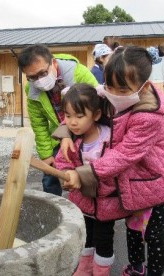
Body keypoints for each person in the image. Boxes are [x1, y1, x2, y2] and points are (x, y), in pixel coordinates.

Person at [54, 46, 164, 276]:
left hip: (156, 182)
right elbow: (79, 105)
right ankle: (135, 268)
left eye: (122, 89)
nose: (113, 92)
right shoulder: (110, 95)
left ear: (142, 86)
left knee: (152, 235)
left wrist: (82, 173)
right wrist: (65, 133)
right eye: (109, 85)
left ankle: (154, 272)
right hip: (132, 185)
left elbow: (124, 155)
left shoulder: (147, 116)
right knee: (133, 229)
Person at [54, 83, 122, 275]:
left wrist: (86, 177)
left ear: (97, 115)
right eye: (68, 116)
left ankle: (101, 271)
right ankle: (84, 268)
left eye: (79, 116)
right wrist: (67, 176)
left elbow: (116, 167)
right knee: (85, 236)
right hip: (82, 200)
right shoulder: (72, 140)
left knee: (103, 239)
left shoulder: (110, 137)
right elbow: (62, 162)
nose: (72, 122)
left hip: (106, 203)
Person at [17, 43, 98, 196]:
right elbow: (39, 124)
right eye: (31, 77)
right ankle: (53, 210)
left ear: (53, 63)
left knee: (89, 173)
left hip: (88, 132)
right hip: (59, 136)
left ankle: (90, 208)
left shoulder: (78, 74)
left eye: (42, 73)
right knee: (50, 178)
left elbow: (98, 104)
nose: (39, 80)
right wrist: (46, 154)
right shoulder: (31, 89)